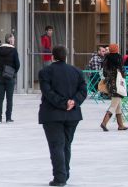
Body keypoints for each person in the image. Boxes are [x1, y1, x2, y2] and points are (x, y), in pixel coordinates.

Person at [39, 45, 87, 187]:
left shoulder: (45, 72)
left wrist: (63, 103)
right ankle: (65, 174)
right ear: (66, 56)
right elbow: (83, 91)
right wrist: (74, 102)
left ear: (53, 56)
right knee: (66, 145)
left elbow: (48, 93)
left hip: (53, 114)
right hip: (72, 115)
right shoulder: (77, 71)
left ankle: (60, 177)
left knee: (57, 146)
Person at [0, 34, 20, 123]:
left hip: (0, 76)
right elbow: (17, 64)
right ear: (10, 40)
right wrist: (13, 72)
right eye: (13, 39)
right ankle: (8, 118)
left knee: (0, 98)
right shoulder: (14, 50)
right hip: (10, 77)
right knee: (9, 98)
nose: (14, 40)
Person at [99, 43, 127, 131]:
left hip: (110, 83)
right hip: (117, 83)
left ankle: (120, 125)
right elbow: (122, 69)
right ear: (117, 49)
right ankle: (104, 123)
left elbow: (104, 72)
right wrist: (123, 75)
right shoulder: (119, 57)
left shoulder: (106, 58)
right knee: (114, 105)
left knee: (118, 103)